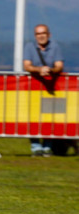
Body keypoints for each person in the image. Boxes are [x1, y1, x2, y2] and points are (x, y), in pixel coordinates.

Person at [23, 24, 65, 156]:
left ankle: (48, 146)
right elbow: (27, 65)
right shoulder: (29, 47)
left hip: (51, 88)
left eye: (43, 33)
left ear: (49, 34)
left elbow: (59, 66)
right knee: (33, 117)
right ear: (35, 36)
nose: (41, 36)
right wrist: (39, 70)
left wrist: (50, 71)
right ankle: (36, 146)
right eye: (38, 34)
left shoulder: (55, 46)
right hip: (33, 88)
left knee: (51, 116)